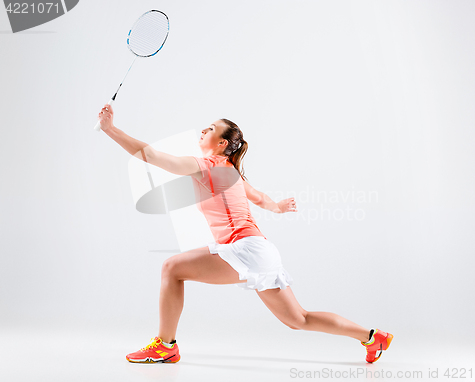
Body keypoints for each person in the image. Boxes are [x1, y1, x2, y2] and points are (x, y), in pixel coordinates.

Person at [97, 104, 393, 364]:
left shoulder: (209, 165)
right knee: (298, 319)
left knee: (171, 268)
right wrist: (277, 207)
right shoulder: (232, 172)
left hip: (245, 249)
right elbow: (261, 198)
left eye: (210, 128)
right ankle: (371, 337)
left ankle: (165, 346)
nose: (203, 130)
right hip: (260, 250)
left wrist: (111, 130)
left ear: (222, 142)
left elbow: (152, 156)